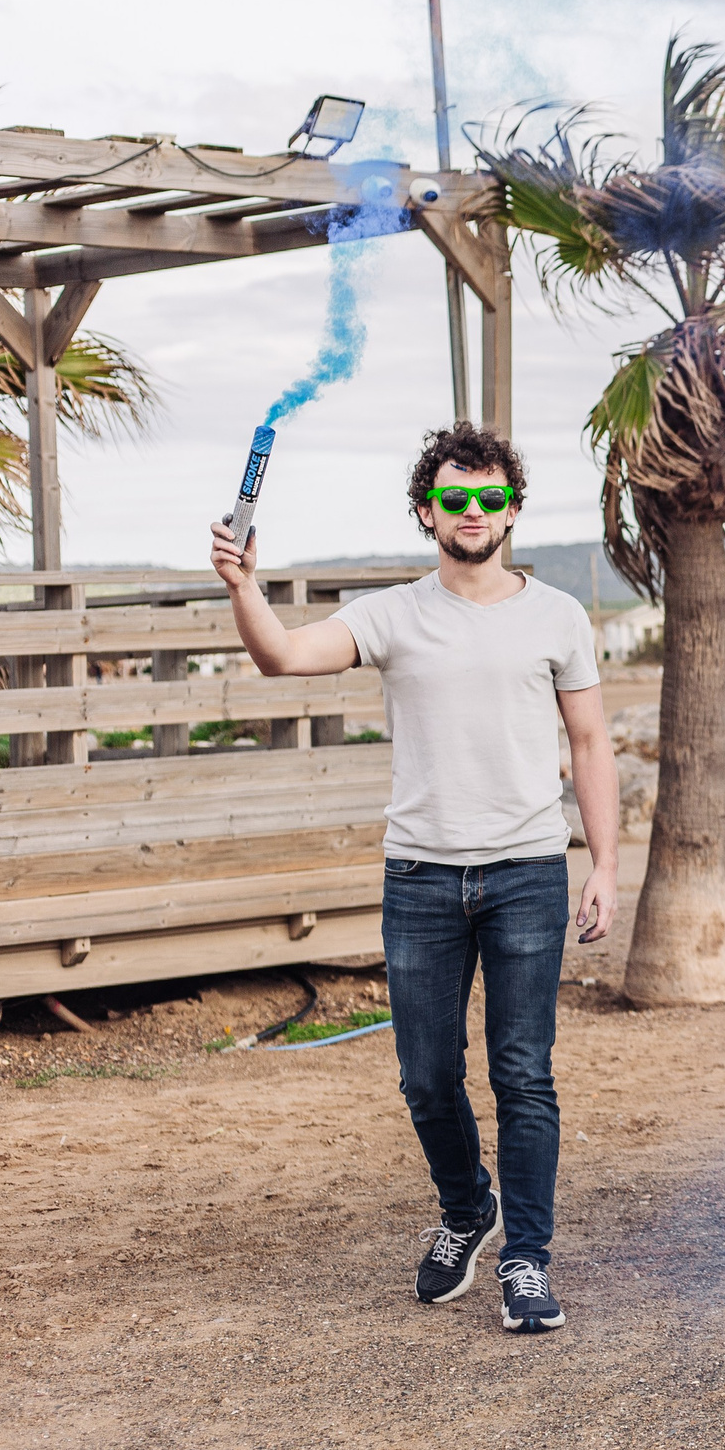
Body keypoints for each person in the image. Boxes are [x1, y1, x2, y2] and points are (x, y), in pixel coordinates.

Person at [213, 422, 618, 1335]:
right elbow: (280, 655)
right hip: (422, 879)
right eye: (452, 497)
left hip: (526, 872)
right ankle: (469, 1208)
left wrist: (606, 864)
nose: (471, 512)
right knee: (427, 1077)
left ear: (512, 506)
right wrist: (245, 587)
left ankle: (526, 1259)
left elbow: (590, 743)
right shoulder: (389, 613)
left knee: (524, 1073)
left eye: (488, 497)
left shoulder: (558, 615)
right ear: (426, 510)